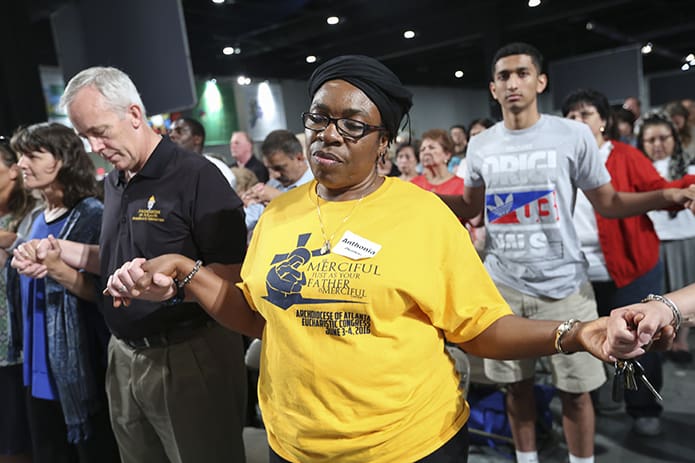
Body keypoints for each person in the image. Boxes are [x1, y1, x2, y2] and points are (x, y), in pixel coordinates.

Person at [103, 54, 625, 463]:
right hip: (296, 444)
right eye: (319, 118)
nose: (329, 133)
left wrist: (574, 333)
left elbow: (479, 328)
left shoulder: (423, 215)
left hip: (407, 444)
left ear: (384, 143)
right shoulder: (279, 216)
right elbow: (262, 318)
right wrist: (185, 271)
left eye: (352, 124)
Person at [440, 43, 695, 463]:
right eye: (503, 76)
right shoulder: (481, 145)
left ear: (540, 81)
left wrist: (665, 194)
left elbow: (609, 203)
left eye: (522, 73)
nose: (513, 83)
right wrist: (406, 193)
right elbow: (470, 208)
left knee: (576, 393)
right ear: (492, 87)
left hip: (565, 287)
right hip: (504, 289)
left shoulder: (572, 135)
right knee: (516, 389)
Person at [13, 67, 249, 463]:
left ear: (134, 115)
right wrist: (53, 249)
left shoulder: (196, 176)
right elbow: (116, 257)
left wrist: (175, 287)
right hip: (124, 355)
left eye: (99, 131)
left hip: (189, 355)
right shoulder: (116, 180)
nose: (93, 146)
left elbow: (234, 275)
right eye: (85, 136)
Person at [562, 89, 695, 436]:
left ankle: (644, 407)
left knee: (641, 339)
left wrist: (687, 189)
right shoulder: (561, 158)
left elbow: (661, 189)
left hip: (632, 264)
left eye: (586, 114)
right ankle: (602, 400)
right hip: (579, 271)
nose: (578, 122)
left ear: (603, 121)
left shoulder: (624, 155)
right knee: (591, 338)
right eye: (571, 117)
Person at [9, 122, 119, 463]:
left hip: (79, 364)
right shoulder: (35, 218)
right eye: (19, 156)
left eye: (32, 155)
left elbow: (103, 294)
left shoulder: (91, 215)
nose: (21, 165)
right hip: (38, 363)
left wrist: (58, 269)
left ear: (62, 160)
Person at [641, 114, 695, 364]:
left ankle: (682, 341)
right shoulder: (640, 172)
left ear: (675, 138)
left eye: (663, 138)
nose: (657, 144)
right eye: (650, 139)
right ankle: (663, 341)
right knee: (658, 293)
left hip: (685, 238)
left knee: (684, 286)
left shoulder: (690, 169)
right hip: (652, 240)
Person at [0, 136, 39, 463]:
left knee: (17, 446)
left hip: (17, 352)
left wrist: (10, 242)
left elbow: (33, 248)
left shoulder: (32, 215)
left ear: (14, 171)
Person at [168, 117, 236, 188]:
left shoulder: (218, 169)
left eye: (179, 131)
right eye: (170, 131)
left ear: (197, 139)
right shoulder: (167, 173)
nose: (172, 135)